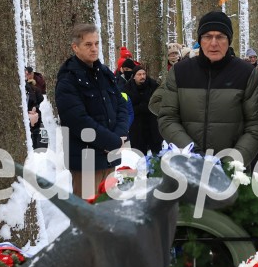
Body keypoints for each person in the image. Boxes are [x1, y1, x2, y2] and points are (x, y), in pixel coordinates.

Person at [154, 11, 258, 164]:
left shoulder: (246, 73)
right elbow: (167, 118)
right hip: (186, 166)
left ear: (229, 40)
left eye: (220, 37)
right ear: (200, 40)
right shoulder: (180, 72)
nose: (213, 43)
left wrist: (231, 165)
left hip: (231, 172)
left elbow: (255, 125)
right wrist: (192, 152)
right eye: (207, 36)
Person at [56, 24, 129, 199]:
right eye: (88, 45)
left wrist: (119, 135)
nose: (94, 49)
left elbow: (121, 105)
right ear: (75, 47)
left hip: (110, 157)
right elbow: (78, 121)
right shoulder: (68, 80)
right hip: (86, 162)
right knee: (87, 218)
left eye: (96, 43)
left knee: (109, 213)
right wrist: (111, 141)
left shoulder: (104, 73)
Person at [124, 65, 162, 156]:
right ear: (134, 76)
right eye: (139, 74)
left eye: (144, 74)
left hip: (152, 125)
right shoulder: (127, 88)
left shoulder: (153, 86)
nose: (142, 76)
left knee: (157, 154)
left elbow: (158, 104)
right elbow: (126, 107)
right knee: (138, 155)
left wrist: (143, 107)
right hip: (137, 127)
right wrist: (142, 107)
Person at [25, 71, 47, 150]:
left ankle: (34, 147)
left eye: (28, 74)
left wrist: (35, 107)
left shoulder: (35, 87)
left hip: (34, 113)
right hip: (33, 112)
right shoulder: (33, 88)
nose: (27, 75)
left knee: (34, 132)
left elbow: (41, 98)